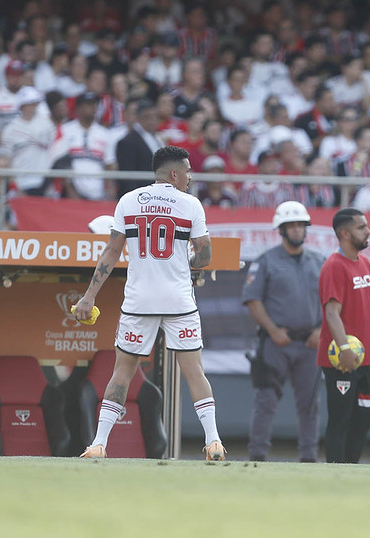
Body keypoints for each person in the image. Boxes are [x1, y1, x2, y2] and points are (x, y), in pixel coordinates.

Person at [72, 146, 226, 461]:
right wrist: (187, 261)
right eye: (187, 171)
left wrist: (89, 296)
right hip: (179, 300)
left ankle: (99, 444)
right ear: (174, 174)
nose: (190, 177)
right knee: (194, 371)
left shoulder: (128, 201)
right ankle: (213, 442)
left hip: (139, 301)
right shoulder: (190, 204)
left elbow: (112, 252)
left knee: (122, 372)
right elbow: (206, 255)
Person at [242, 202, 325, 462]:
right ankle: (257, 455)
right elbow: (253, 300)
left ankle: (309, 457)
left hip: (310, 343)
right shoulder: (266, 261)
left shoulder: (320, 262)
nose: (298, 230)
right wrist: (273, 330)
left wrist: (322, 330)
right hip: (276, 343)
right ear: (281, 229)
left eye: (301, 225)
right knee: (266, 400)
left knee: (310, 404)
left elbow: (332, 301)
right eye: (292, 226)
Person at [317, 208, 370, 463]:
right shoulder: (333, 266)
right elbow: (332, 314)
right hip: (342, 359)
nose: (368, 231)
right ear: (344, 233)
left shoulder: (364, 262)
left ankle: (352, 468)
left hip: (367, 358)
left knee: (365, 417)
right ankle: (334, 472)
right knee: (341, 419)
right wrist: (344, 350)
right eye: (361, 227)